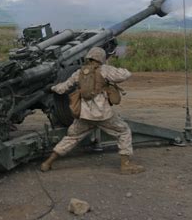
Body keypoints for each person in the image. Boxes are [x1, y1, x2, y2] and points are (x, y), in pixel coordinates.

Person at [41, 47, 145, 175]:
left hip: (84, 115)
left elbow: (62, 88)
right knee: (123, 131)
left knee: (71, 138)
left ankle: (48, 163)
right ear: (101, 58)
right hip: (103, 114)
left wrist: (51, 88)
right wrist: (109, 66)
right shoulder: (105, 70)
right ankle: (125, 165)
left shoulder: (79, 72)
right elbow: (126, 74)